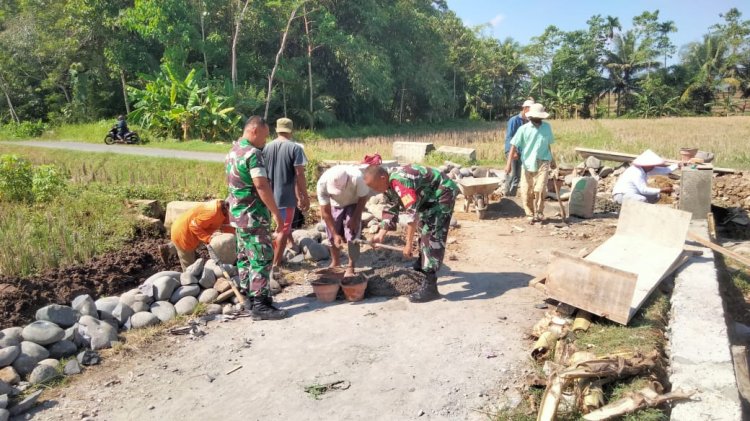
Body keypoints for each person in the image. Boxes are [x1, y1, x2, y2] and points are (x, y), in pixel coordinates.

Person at [363, 163, 458, 303]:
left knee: (431, 235)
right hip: (428, 197)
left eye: (375, 186)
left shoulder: (401, 182)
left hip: (442, 193)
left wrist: (408, 244)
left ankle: (431, 286)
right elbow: (391, 208)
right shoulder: (389, 183)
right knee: (423, 228)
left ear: (383, 177)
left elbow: (412, 217)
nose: (375, 190)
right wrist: (380, 235)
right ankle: (421, 264)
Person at [226, 116, 286, 320]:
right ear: (254, 131)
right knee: (261, 256)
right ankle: (260, 304)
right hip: (253, 215)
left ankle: (248, 297)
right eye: (265, 135)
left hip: (237, 215)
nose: (265, 141)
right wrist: (277, 214)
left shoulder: (233, 151)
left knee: (244, 256)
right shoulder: (253, 154)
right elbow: (261, 185)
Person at [262, 117, 309, 284]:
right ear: (291, 130)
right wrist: (304, 195)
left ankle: (289, 245)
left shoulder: (265, 147)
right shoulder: (295, 148)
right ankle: (275, 264)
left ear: (276, 130)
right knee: (282, 228)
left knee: (272, 228)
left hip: (265, 196)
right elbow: (299, 174)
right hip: (284, 197)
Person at [504, 103, 555, 224]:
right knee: (526, 191)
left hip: (543, 161)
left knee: (540, 188)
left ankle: (539, 211)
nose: (537, 119)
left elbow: (548, 144)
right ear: (531, 116)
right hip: (527, 163)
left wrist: (553, 160)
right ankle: (530, 213)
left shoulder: (547, 127)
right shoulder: (523, 129)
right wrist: (508, 164)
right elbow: (513, 145)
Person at [317, 165, 371, 277]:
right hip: (334, 205)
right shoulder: (322, 184)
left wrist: (355, 218)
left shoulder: (357, 177)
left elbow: (363, 198)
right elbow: (325, 212)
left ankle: (351, 266)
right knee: (332, 235)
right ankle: (336, 263)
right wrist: (335, 234)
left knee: (352, 234)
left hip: (354, 202)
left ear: (347, 182)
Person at [160, 199, 235, 271]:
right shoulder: (212, 213)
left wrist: (234, 243)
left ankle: (168, 249)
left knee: (198, 241)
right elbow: (194, 225)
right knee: (190, 267)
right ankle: (189, 282)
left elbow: (227, 226)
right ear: (227, 208)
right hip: (183, 232)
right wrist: (208, 239)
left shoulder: (224, 208)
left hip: (195, 229)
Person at [612, 150, 678, 204]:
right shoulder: (636, 172)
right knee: (642, 199)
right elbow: (643, 190)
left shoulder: (644, 169)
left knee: (655, 196)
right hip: (621, 195)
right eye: (652, 165)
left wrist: (678, 165)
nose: (654, 167)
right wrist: (661, 190)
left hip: (632, 194)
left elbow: (665, 170)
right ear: (647, 165)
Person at [503, 99, 534, 196]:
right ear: (525, 109)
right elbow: (509, 137)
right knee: (512, 173)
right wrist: (513, 151)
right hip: (513, 150)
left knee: (518, 175)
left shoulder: (529, 121)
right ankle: (506, 194)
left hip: (523, 151)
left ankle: (512, 194)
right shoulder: (514, 120)